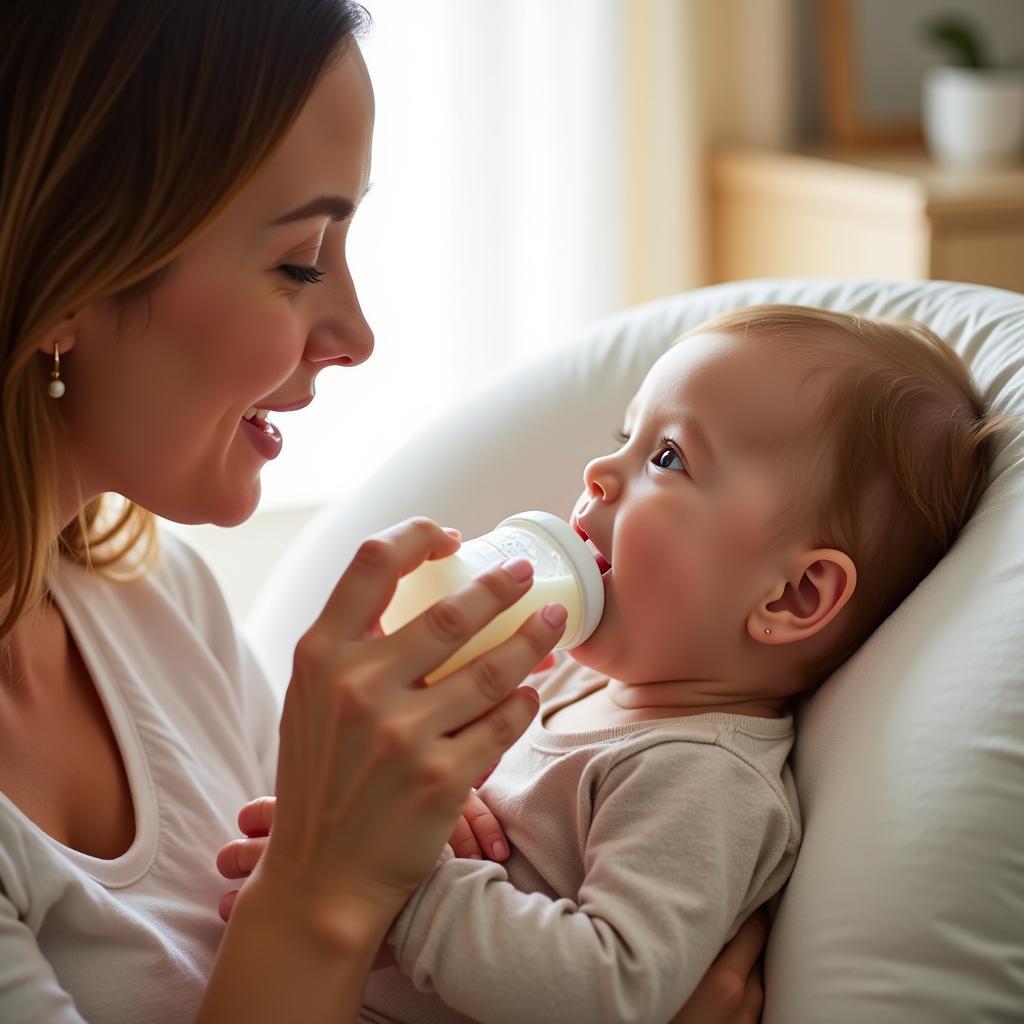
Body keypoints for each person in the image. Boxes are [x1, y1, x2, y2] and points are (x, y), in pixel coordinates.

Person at [0, 3, 766, 1022]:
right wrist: (325, 889)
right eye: (297, 262)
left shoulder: (154, 601)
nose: (355, 334)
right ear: (62, 274)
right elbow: (313, 905)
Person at [220, 304, 1002, 1023]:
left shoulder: (701, 775)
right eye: (626, 433)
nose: (600, 468)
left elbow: (612, 984)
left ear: (793, 596)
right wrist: (380, 816)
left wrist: (401, 887)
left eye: (668, 456)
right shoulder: (576, 682)